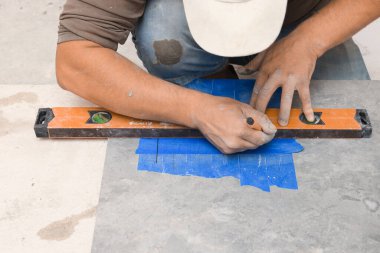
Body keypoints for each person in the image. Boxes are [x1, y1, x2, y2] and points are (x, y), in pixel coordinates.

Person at [56, 0, 380, 154]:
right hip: (180, 15)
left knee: (351, 118)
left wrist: (308, 41)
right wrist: (196, 109)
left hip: (301, 15)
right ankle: (211, 72)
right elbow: (75, 58)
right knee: (163, 38)